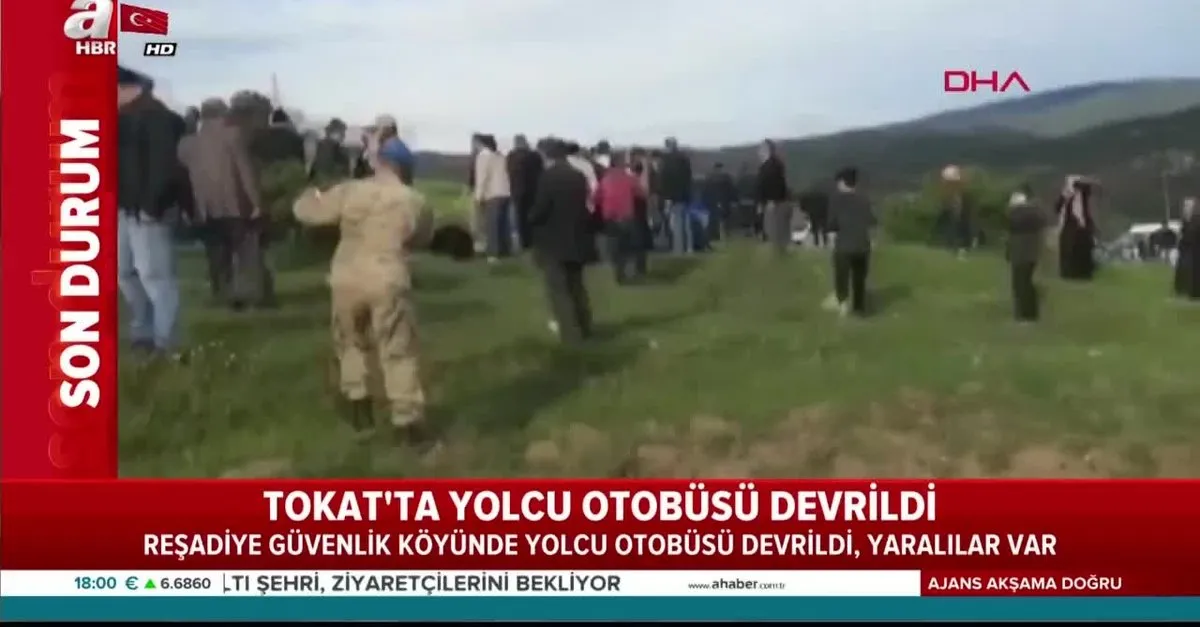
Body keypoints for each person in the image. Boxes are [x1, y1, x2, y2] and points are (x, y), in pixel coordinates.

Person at [292, 138, 434, 439]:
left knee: (351, 342)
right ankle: (406, 420)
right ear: (405, 169)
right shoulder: (415, 200)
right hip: (387, 276)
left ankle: (359, 407)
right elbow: (422, 238)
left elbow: (308, 213)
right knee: (397, 348)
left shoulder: (350, 190)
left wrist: (308, 193)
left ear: (379, 163)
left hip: (347, 276)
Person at [177, 97, 272, 310]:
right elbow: (245, 171)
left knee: (217, 255)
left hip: (206, 208)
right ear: (223, 114)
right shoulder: (234, 135)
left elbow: (183, 174)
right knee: (247, 253)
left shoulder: (188, 144)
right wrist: (256, 202)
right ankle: (250, 296)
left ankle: (222, 294)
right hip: (237, 205)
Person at [117, 66, 185, 354]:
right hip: (122, 208)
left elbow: (164, 168)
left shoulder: (158, 118)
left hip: (147, 210)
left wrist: (151, 206)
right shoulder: (120, 121)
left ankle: (166, 341)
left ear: (129, 88)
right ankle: (142, 332)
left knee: (155, 276)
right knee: (124, 273)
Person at [529, 139, 596, 344]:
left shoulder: (548, 177)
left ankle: (571, 334)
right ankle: (585, 326)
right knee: (577, 287)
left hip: (554, 240)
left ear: (546, 155)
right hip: (577, 237)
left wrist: (530, 218)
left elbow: (540, 210)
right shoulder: (578, 176)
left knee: (559, 289)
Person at [827, 167, 876, 317]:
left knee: (841, 276)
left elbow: (832, 225)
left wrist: (831, 243)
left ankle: (843, 303)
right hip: (862, 245)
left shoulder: (836, 200)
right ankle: (859, 308)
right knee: (859, 278)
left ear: (842, 182)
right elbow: (871, 221)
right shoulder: (864, 199)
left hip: (844, 246)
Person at [595, 152, 647, 284]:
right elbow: (641, 193)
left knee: (614, 246)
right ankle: (629, 272)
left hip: (610, 217)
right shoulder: (628, 178)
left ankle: (617, 272)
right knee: (627, 246)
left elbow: (596, 198)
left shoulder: (605, 179)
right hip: (626, 215)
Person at [1006, 185, 1047, 322]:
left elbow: (1010, 226)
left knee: (1020, 284)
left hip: (1020, 254)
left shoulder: (1017, 217)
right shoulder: (1036, 215)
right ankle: (1031, 313)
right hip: (1032, 254)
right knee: (1028, 283)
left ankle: (1022, 314)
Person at [472, 133, 512, 261]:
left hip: (493, 193)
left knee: (492, 225)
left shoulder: (483, 156)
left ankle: (493, 253)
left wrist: (478, 196)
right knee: (503, 224)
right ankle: (505, 250)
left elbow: (482, 177)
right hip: (505, 192)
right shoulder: (499, 155)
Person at [1056, 175, 1097, 281]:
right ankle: (1070, 273)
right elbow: (1058, 208)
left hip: (1082, 226)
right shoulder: (1066, 196)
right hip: (1070, 226)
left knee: (1084, 250)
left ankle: (1084, 273)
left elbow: (1086, 211)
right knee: (1069, 250)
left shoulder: (1083, 196)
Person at [506, 134, 543, 250]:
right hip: (534, 190)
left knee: (520, 217)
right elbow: (541, 171)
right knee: (533, 215)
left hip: (517, 190)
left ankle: (524, 242)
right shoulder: (535, 156)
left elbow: (509, 172)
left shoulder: (511, 156)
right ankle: (534, 239)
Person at [658, 137, 694, 254]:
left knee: (676, 223)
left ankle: (678, 248)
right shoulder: (684, 159)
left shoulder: (666, 161)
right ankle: (689, 247)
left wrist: (665, 196)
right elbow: (689, 178)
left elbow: (664, 180)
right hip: (685, 195)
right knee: (686, 223)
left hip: (673, 196)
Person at [757, 139, 790, 256]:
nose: (759, 152)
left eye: (761, 149)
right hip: (773, 201)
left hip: (775, 202)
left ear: (768, 150)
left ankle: (779, 252)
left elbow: (773, 184)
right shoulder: (768, 165)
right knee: (774, 228)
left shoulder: (772, 165)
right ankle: (779, 251)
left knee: (776, 228)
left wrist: (771, 200)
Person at [934, 165, 975, 258]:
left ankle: (962, 247)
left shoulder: (964, 197)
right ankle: (954, 246)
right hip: (955, 215)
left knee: (962, 229)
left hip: (961, 216)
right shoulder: (950, 197)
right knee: (953, 229)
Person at [309, 119, 351, 185]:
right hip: (331, 184)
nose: (344, 135)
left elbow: (314, 166)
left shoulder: (321, 145)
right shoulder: (335, 148)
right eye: (342, 132)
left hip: (320, 182)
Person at [702, 162, 737, 241]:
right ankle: (724, 232)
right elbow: (731, 190)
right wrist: (734, 200)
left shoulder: (710, 178)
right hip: (724, 200)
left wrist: (705, 201)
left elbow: (705, 191)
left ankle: (715, 234)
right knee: (724, 218)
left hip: (713, 201)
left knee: (715, 218)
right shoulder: (726, 178)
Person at [1175, 197, 1199, 299]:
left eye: (1188, 206)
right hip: (1187, 247)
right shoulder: (1186, 220)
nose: (1186, 208)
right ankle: (1184, 289)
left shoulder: (1196, 219)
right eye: (1185, 206)